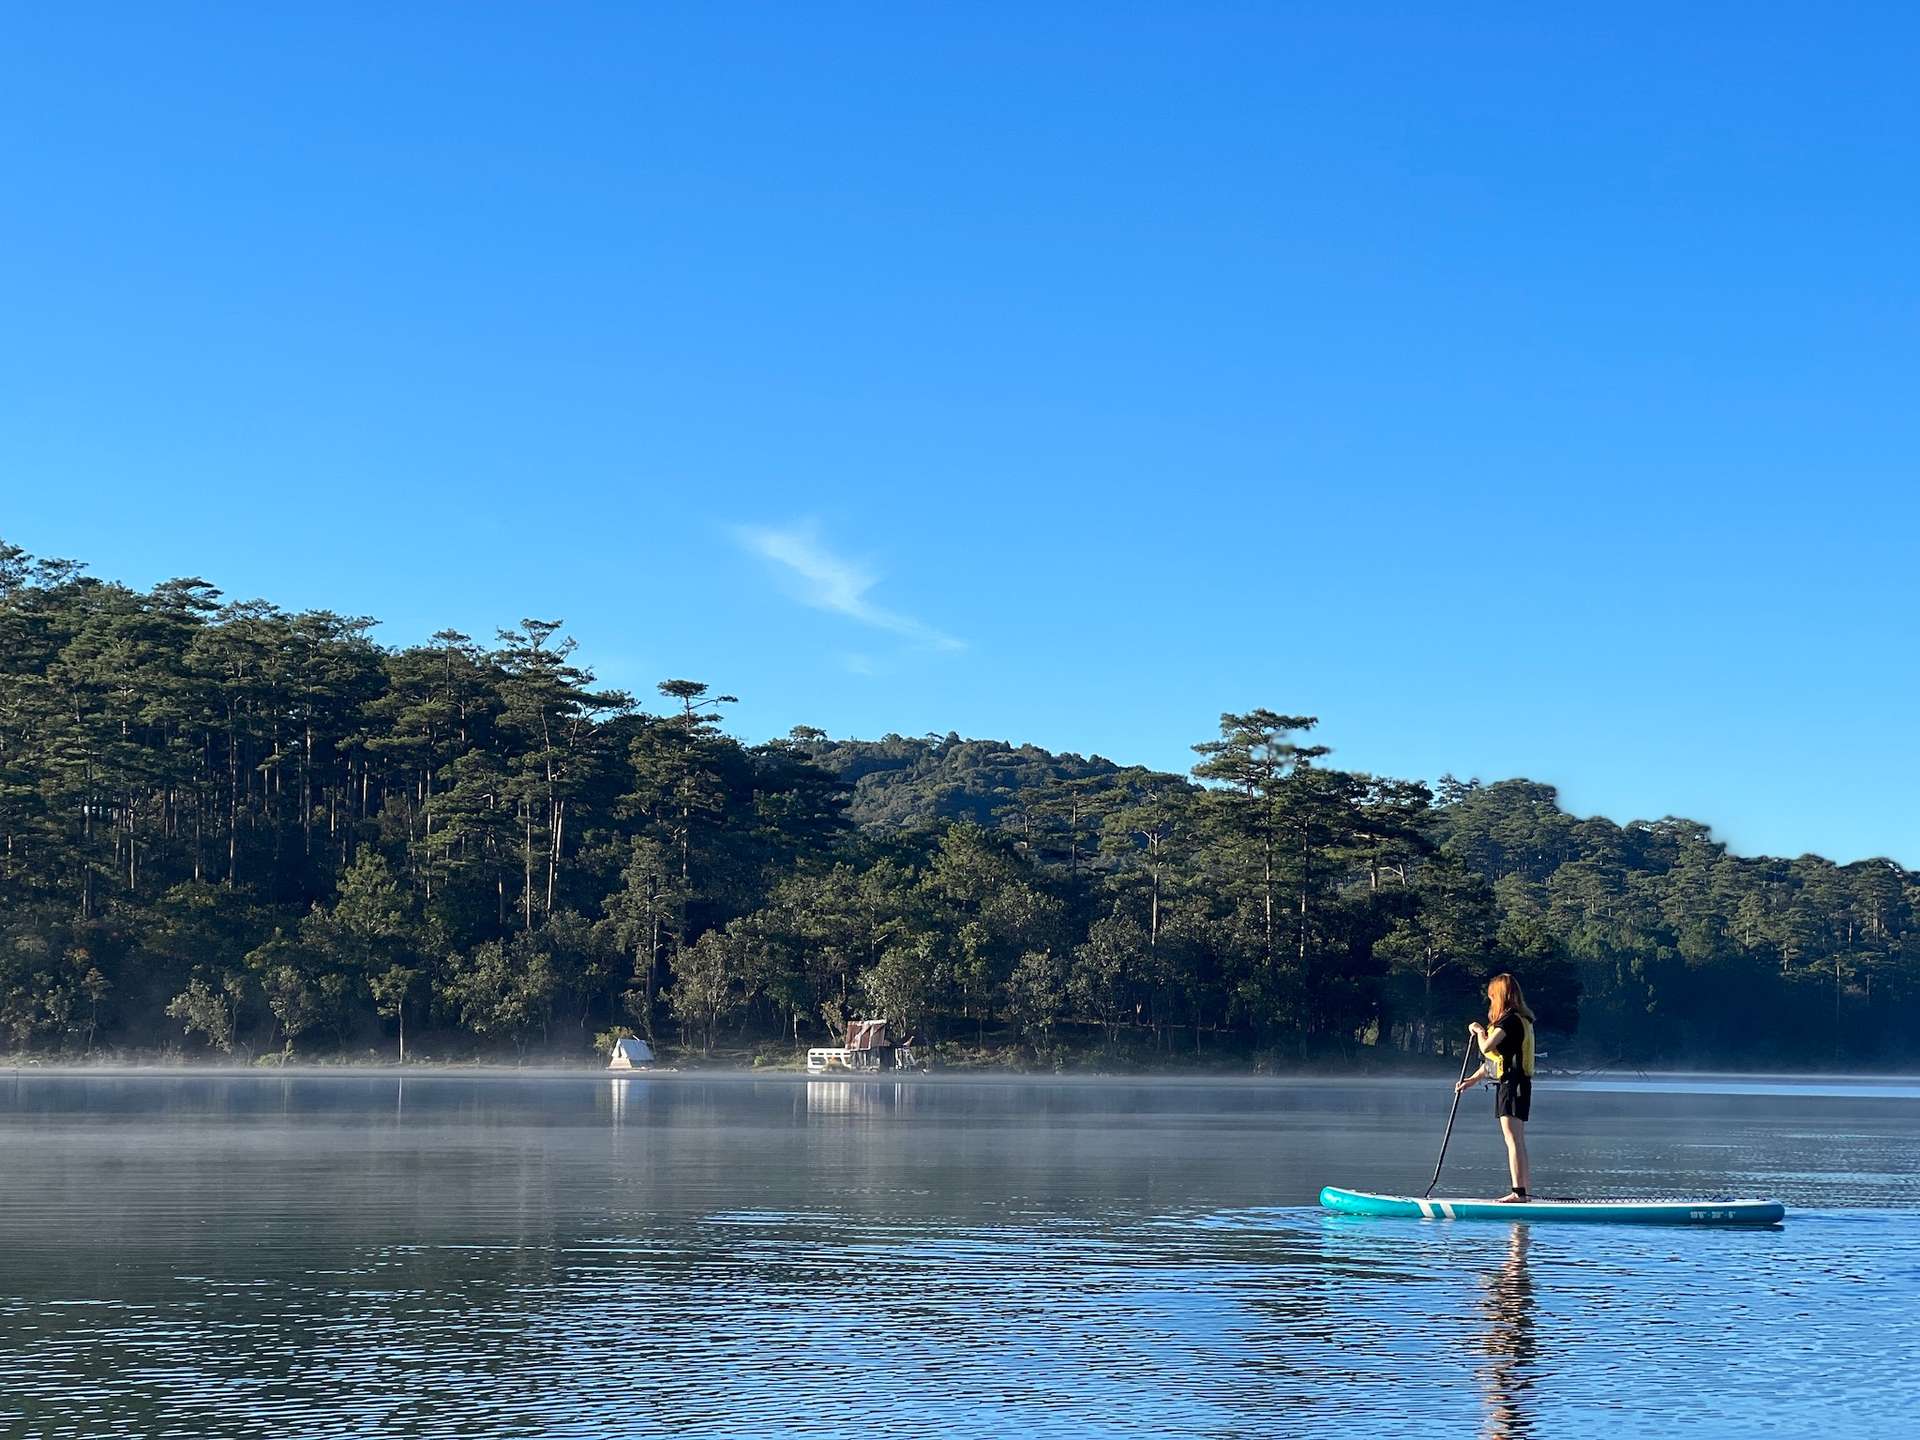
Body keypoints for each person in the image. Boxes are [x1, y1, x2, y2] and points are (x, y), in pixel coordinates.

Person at [1456, 973, 1536, 1202]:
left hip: (1513, 1085)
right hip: (1516, 1084)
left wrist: (1479, 1030)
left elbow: (1486, 1047)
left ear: (1500, 996)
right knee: (1517, 1139)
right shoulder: (1520, 1020)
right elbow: (1495, 1061)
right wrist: (1471, 1080)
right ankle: (1524, 1191)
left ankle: (1519, 1193)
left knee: (1513, 1139)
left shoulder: (1510, 1021)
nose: (1491, 1002)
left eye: (1492, 997)